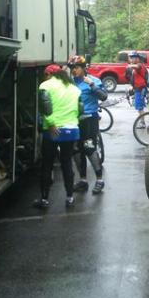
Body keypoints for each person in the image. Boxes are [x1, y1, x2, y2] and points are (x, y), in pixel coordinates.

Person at [34, 64, 81, 208]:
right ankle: (70, 197)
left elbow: (45, 107)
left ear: (49, 74)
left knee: (47, 164)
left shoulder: (45, 85)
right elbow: (80, 108)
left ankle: (44, 199)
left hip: (53, 130)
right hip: (72, 130)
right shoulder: (74, 88)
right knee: (67, 163)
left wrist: (52, 124)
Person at [68, 55, 108, 195]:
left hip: (90, 119)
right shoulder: (70, 83)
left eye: (76, 68)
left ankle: (99, 180)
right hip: (74, 120)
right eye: (72, 68)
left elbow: (103, 96)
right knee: (76, 151)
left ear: (84, 68)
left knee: (89, 148)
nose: (74, 70)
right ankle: (83, 180)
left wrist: (91, 84)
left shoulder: (93, 80)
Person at [126, 51, 148, 125]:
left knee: (140, 107)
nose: (131, 59)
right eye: (131, 58)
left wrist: (130, 66)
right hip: (137, 89)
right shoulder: (135, 67)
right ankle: (142, 120)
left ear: (137, 58)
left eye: (133, 58)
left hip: (141, 89)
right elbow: (133, 79)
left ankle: (142, 122)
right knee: (139, 107)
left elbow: (137, 67)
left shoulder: (140, 65)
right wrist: (131, 86)